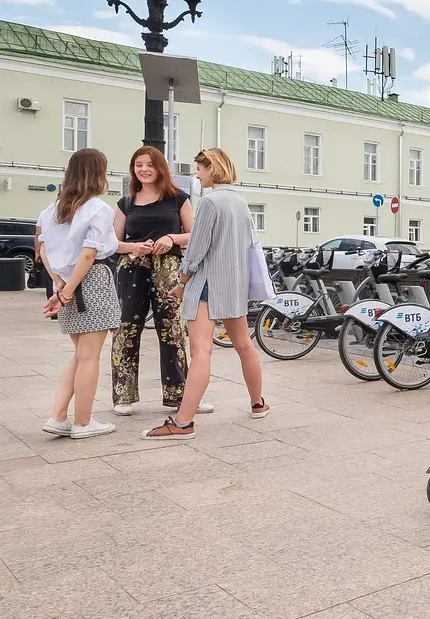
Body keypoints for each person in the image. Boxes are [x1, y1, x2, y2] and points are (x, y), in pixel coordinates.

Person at [144, 148, 267, 439]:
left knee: (200, 352)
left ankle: (183, 422)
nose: (197, 175)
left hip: (208, 283)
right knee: (245, 346)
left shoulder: (211, 202)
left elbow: (197, 251)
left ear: (212, 168)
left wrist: (182, 282)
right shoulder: (239, 202)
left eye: (200, 169)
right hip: (234, 283)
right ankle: (258, 403)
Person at [110, 146, 212, 417]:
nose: (143, 169)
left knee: (172, 331)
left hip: (169, 268)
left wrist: (170, 239)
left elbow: (194, 234)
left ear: (160, 168)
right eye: (138, 165)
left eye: (149, 164)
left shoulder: (178, 199)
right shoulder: (126, 203)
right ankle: (123, 394)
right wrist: (132, 247)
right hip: (132, 268)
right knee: (126, 329)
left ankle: (180, 395)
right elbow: (111, 242)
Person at [38, 148, 121, 439]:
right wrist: (67, 292)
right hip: (91, 282)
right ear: (99, 173)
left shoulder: (52, 210)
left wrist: (59, 285)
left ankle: (59, 416)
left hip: (65, 283)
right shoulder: (98, 208)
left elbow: (44, 250)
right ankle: (83, 422)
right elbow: (88, 256)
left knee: (79, 355)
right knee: (89, 357)